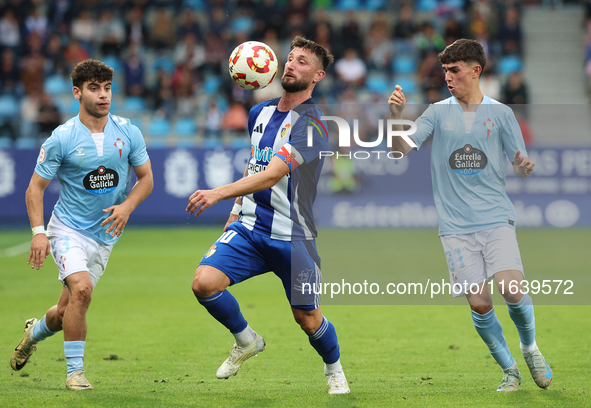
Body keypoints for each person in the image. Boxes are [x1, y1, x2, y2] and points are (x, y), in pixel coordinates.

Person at [186, 36, 350, 395]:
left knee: (307, 318)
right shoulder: (258, 113)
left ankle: (334, 369)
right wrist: (233, 210)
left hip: (293, 235)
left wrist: (217, 193)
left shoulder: (316, 125)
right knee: (203, 283)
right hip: (249, 227)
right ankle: (246, 340)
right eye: (290, 59)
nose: (291, 65)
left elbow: (275, 172)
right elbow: (254, 164)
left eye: (303, 62)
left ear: (318, 75)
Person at [388, 39, 552, 392]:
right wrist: (396, 117)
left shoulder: (502, 114)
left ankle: (530, 347)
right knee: (480, 305)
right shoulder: (435, 112)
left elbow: (520, 165)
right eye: (445, 71)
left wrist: (524, 166)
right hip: (455, 228)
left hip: (495, 219)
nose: (448, 77)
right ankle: (510, 370)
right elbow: (400, 150)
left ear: (476, 71)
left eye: (455, 70)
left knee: (511, 288)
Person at [11, 59, 153, 391]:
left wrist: (127, 206)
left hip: (104, 237)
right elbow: (35, 188)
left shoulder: (128, 131)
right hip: (68, 230)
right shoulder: (62, 138)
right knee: (82, 289)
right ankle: (75, 373)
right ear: (77, 93)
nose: (103, 95)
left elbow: (146, 179)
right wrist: (38, 233)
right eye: (94, 88)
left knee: (65, 313)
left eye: (107, 88)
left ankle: (33, 334)